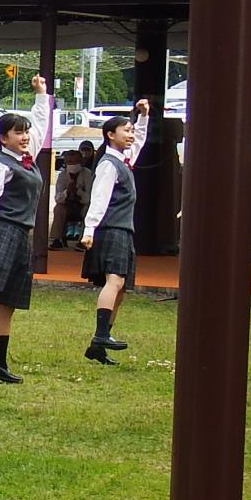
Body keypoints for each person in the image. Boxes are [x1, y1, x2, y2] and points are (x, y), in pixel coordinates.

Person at [79, 99, 152, 364]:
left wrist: (143, 117)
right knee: (115, 281)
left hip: (124, 229)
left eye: (132, 130)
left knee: (121, 287)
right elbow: (99, 199)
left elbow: (140, 140)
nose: (131, 135)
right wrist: (89, 229)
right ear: (111, 135)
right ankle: (100, 335)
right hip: (111, 229)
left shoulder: (124, 159)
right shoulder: (109, 164)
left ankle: (99, 344)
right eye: (127, 131)